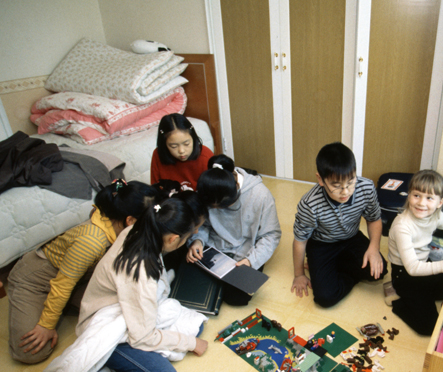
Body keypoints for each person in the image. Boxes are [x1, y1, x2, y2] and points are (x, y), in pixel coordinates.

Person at [63, 192, 208, 372]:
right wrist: (190, 343)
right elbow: (142, 336)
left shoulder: (139, 229)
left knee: (195, 325)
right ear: (173, 238)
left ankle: (130, 363)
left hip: (123, 308)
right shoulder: (141, 274)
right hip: (106, 330)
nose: (192, 235)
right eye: (188, 236)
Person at [7, 180, 158, 364]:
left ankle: (67, 306)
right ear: (130, 221)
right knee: (32, 352)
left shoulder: (114, 215)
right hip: (36, 280)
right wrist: (46, 324)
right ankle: (58, 307)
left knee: (123, 310)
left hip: (81, 277)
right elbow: (62, 285)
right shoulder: (91, 242)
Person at [290, 142, 386, 308]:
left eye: (350, 182)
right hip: (322, 244)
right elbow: (300, 240)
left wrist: (374, 248)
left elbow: (373, 219)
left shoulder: (367, 187)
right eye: (336, 186)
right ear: (320, 179)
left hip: (351, 237)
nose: (345, 191)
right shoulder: (310, 204)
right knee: (325, 298)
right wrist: (299, 274)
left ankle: (333, 266)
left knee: (379, 272)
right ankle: (326, 266)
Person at [387, 170, 443, 335]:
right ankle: (398, 301)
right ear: (409, 196)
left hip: (424, 264)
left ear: (439, 203)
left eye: (429, 198)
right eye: (416, 195)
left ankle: (424, 295)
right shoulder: (402, 225)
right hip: (405, 274)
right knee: (428, 327)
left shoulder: (435, 215)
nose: (421, 203)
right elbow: (413, 268)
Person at [186, 155, 281, 305]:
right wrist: (197, 240)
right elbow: (202, 224)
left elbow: (271, 235)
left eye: (223, 205)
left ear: (236, 185)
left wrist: (251, 261)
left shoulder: (261, 195)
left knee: (237, 298)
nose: (218, 210)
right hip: (214, 247)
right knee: (190, 285)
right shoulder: (206, 191)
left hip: (246, 251)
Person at [150, 113, 214, 190]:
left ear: (193, 139)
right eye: (174, 146)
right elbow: (155, 189)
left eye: (186, 144)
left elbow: (214, 191)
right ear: (164, 145)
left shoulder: (205, 155)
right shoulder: (158, 155)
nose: (181, 151)